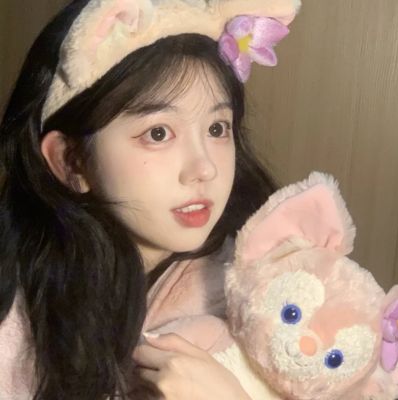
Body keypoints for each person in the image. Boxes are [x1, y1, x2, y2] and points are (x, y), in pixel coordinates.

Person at [0, 0, 300, 399]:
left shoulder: (276, 283)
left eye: (217, 128)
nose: (204, 169)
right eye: (158, 133)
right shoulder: (18, 317)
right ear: (72, 162)